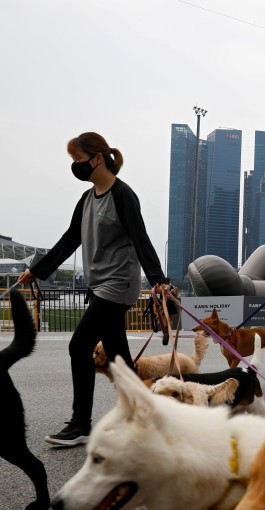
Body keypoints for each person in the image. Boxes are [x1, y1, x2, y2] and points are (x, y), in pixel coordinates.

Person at [18, 132, 169, 447]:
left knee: (79, 345)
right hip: (99, 284)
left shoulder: (122, 195)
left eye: (78, 160)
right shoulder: (86, 200)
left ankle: (80, 424)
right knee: (118, 357)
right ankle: (146, 416)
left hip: (118, 283)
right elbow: (71, 238)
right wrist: (37, 270)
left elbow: (141, 238)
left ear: (97, 158)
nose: (75, 166)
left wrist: (158, 278)